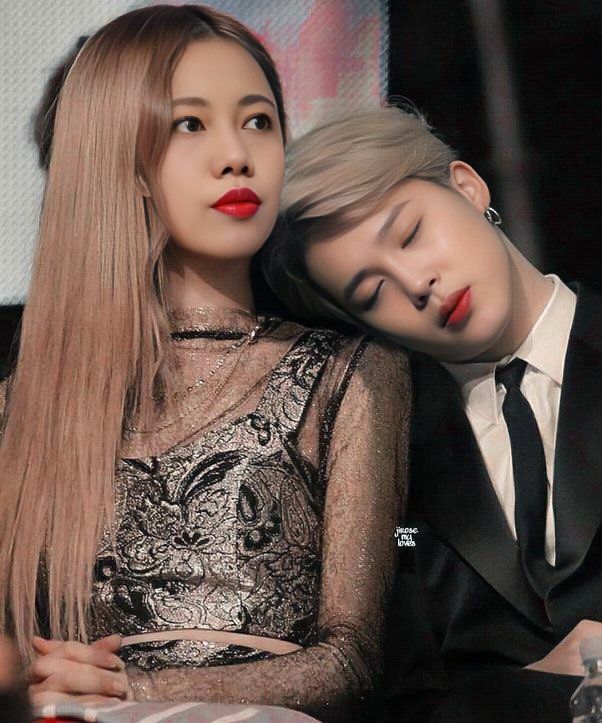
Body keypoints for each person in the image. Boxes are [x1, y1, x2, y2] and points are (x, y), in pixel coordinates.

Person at [0, 10, 411, 721]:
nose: (237, 155)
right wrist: (31, 678)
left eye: (259, 121)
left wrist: (141, 689)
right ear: (118, 159)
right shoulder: (26, 404)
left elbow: (351, 660)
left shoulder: (346, 374)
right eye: (190, 124)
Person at [264, 105, 602, 722]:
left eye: (410, 234)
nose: (415, 282)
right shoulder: (385, 467)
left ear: (468, 188)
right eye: (372, 293)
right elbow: (404, 698)